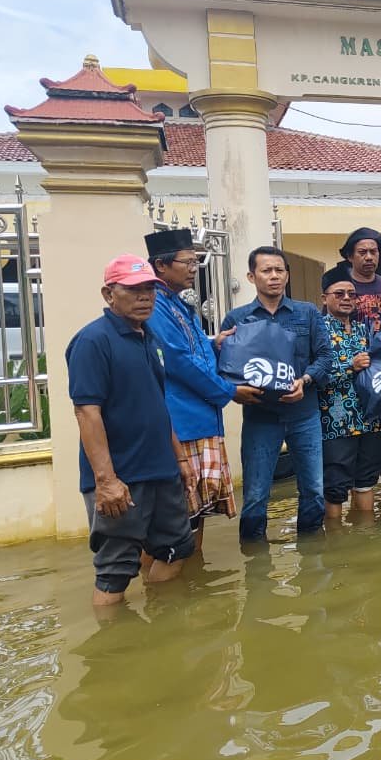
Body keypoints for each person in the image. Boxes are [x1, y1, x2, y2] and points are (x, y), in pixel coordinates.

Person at [65, 255, 197, 606]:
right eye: (134, 289)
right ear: (109, 294)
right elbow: (86, 412)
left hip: (162, 471)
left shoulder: (149, 337)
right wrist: (106, 481)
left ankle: (162, 622)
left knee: (177, 548)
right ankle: (113, 638)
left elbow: (157, 402)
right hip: (121, 476)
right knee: (116, 569)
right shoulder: (93, 341)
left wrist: (180, 460)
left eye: (150, 289)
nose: (145, 297)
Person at [144, 228, 262, 553]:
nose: (194, 268)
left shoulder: (179, 304)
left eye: (196, 262)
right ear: (161, 265)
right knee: (177, 519)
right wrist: (229, 391)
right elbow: (178, 361)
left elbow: (192, 351)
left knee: (195, 514)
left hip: (200, 418)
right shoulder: (156, 306)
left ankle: (190, 577)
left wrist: (215, 343)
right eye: (188, 262)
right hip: (181, 422)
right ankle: (171, 581)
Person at [220, 246, 332, 541]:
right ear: (251, 276)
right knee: (256, 494)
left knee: (313, 490)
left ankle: (313, 554)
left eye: (279, 270)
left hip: (304, 414)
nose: (274, 276)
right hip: (260, 417)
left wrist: (304, 380)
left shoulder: (307, 313)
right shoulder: (237, 319)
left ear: (287, 275)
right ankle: (254, 556)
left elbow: (325, 357)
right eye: (266, 270)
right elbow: (225, 369)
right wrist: (235, 392)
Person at [318, 264, 381, 525]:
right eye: (339, 294)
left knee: (367, 480)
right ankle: (335, 539)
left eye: (351, 294)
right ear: (324, 298)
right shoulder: (318, 331)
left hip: (369, 419)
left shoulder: (363, 330)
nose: (346, 298)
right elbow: (314, 374)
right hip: (336, 422)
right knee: (335, 484)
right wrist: (349, 366)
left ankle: (365, 536)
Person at [340, 226, 381, 497]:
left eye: (373, 252)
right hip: (353, 370)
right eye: (362, 252)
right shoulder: (341, 286)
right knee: (357, 441)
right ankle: (359, 497)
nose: (368, 257)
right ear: (350, 256)